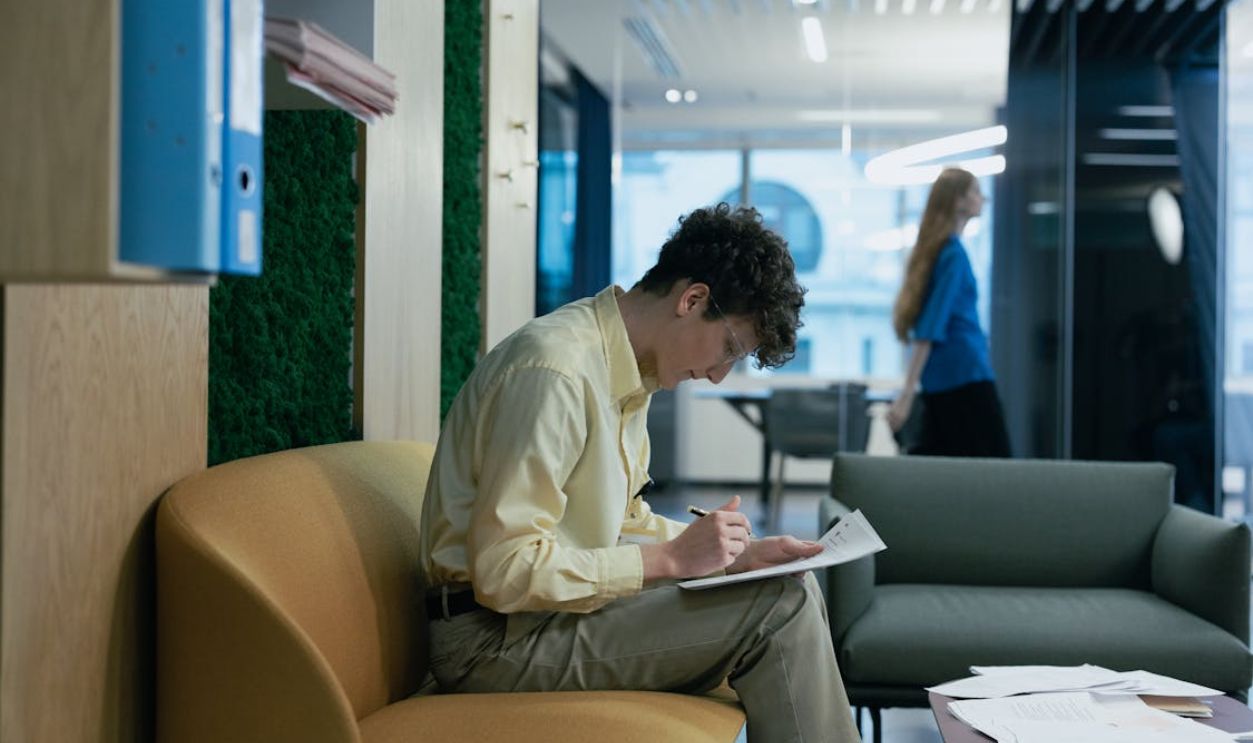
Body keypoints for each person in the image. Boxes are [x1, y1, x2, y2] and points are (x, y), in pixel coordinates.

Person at [419, 203, 860, 742]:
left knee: (793, 586)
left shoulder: (626, 371)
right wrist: (670, 559)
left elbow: (622, 523)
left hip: (546, 619)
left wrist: (736, 558)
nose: (719, 376)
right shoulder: (555, 371)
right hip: (492, 643)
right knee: (779, 608)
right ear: (692, 299)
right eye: (729, 349)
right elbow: (504, 570)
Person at [886, 167, 1012, 457]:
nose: (983, 198)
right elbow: (930, 327)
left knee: (944, 458)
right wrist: (906, 393)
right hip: (966, 375)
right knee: (995, 464)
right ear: (958, 201)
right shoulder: (953, 255)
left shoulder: (938, 252)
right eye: (976, 192)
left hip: (942, 378)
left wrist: (911, 388)